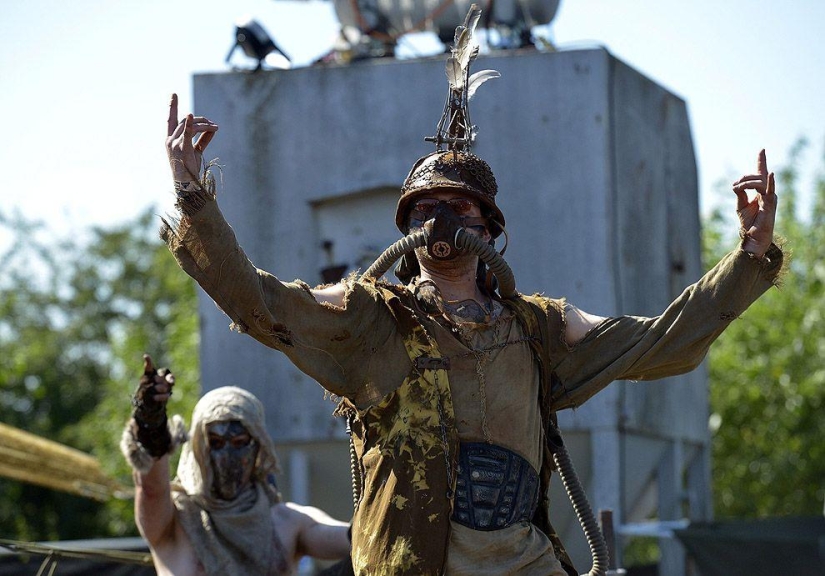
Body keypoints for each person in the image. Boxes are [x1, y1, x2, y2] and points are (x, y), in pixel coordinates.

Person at [159, 7, 782, 575]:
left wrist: (749, 259)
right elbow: (260, 305)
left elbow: (660, 341)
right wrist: (194, 201)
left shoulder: (538, 327)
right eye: (424, 206)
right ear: (407, 227)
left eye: (456, 205)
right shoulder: (371, 318)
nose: (439, 216)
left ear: (488, 227)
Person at [120, 354, 351, 576]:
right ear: (198, 447)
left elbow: (359, 540)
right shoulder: (174, 521)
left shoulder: (288, 522)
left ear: (258, 446)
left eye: (240, 442)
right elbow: (151, 490)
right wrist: (150, 424)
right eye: (216, 443)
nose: (227, 456)